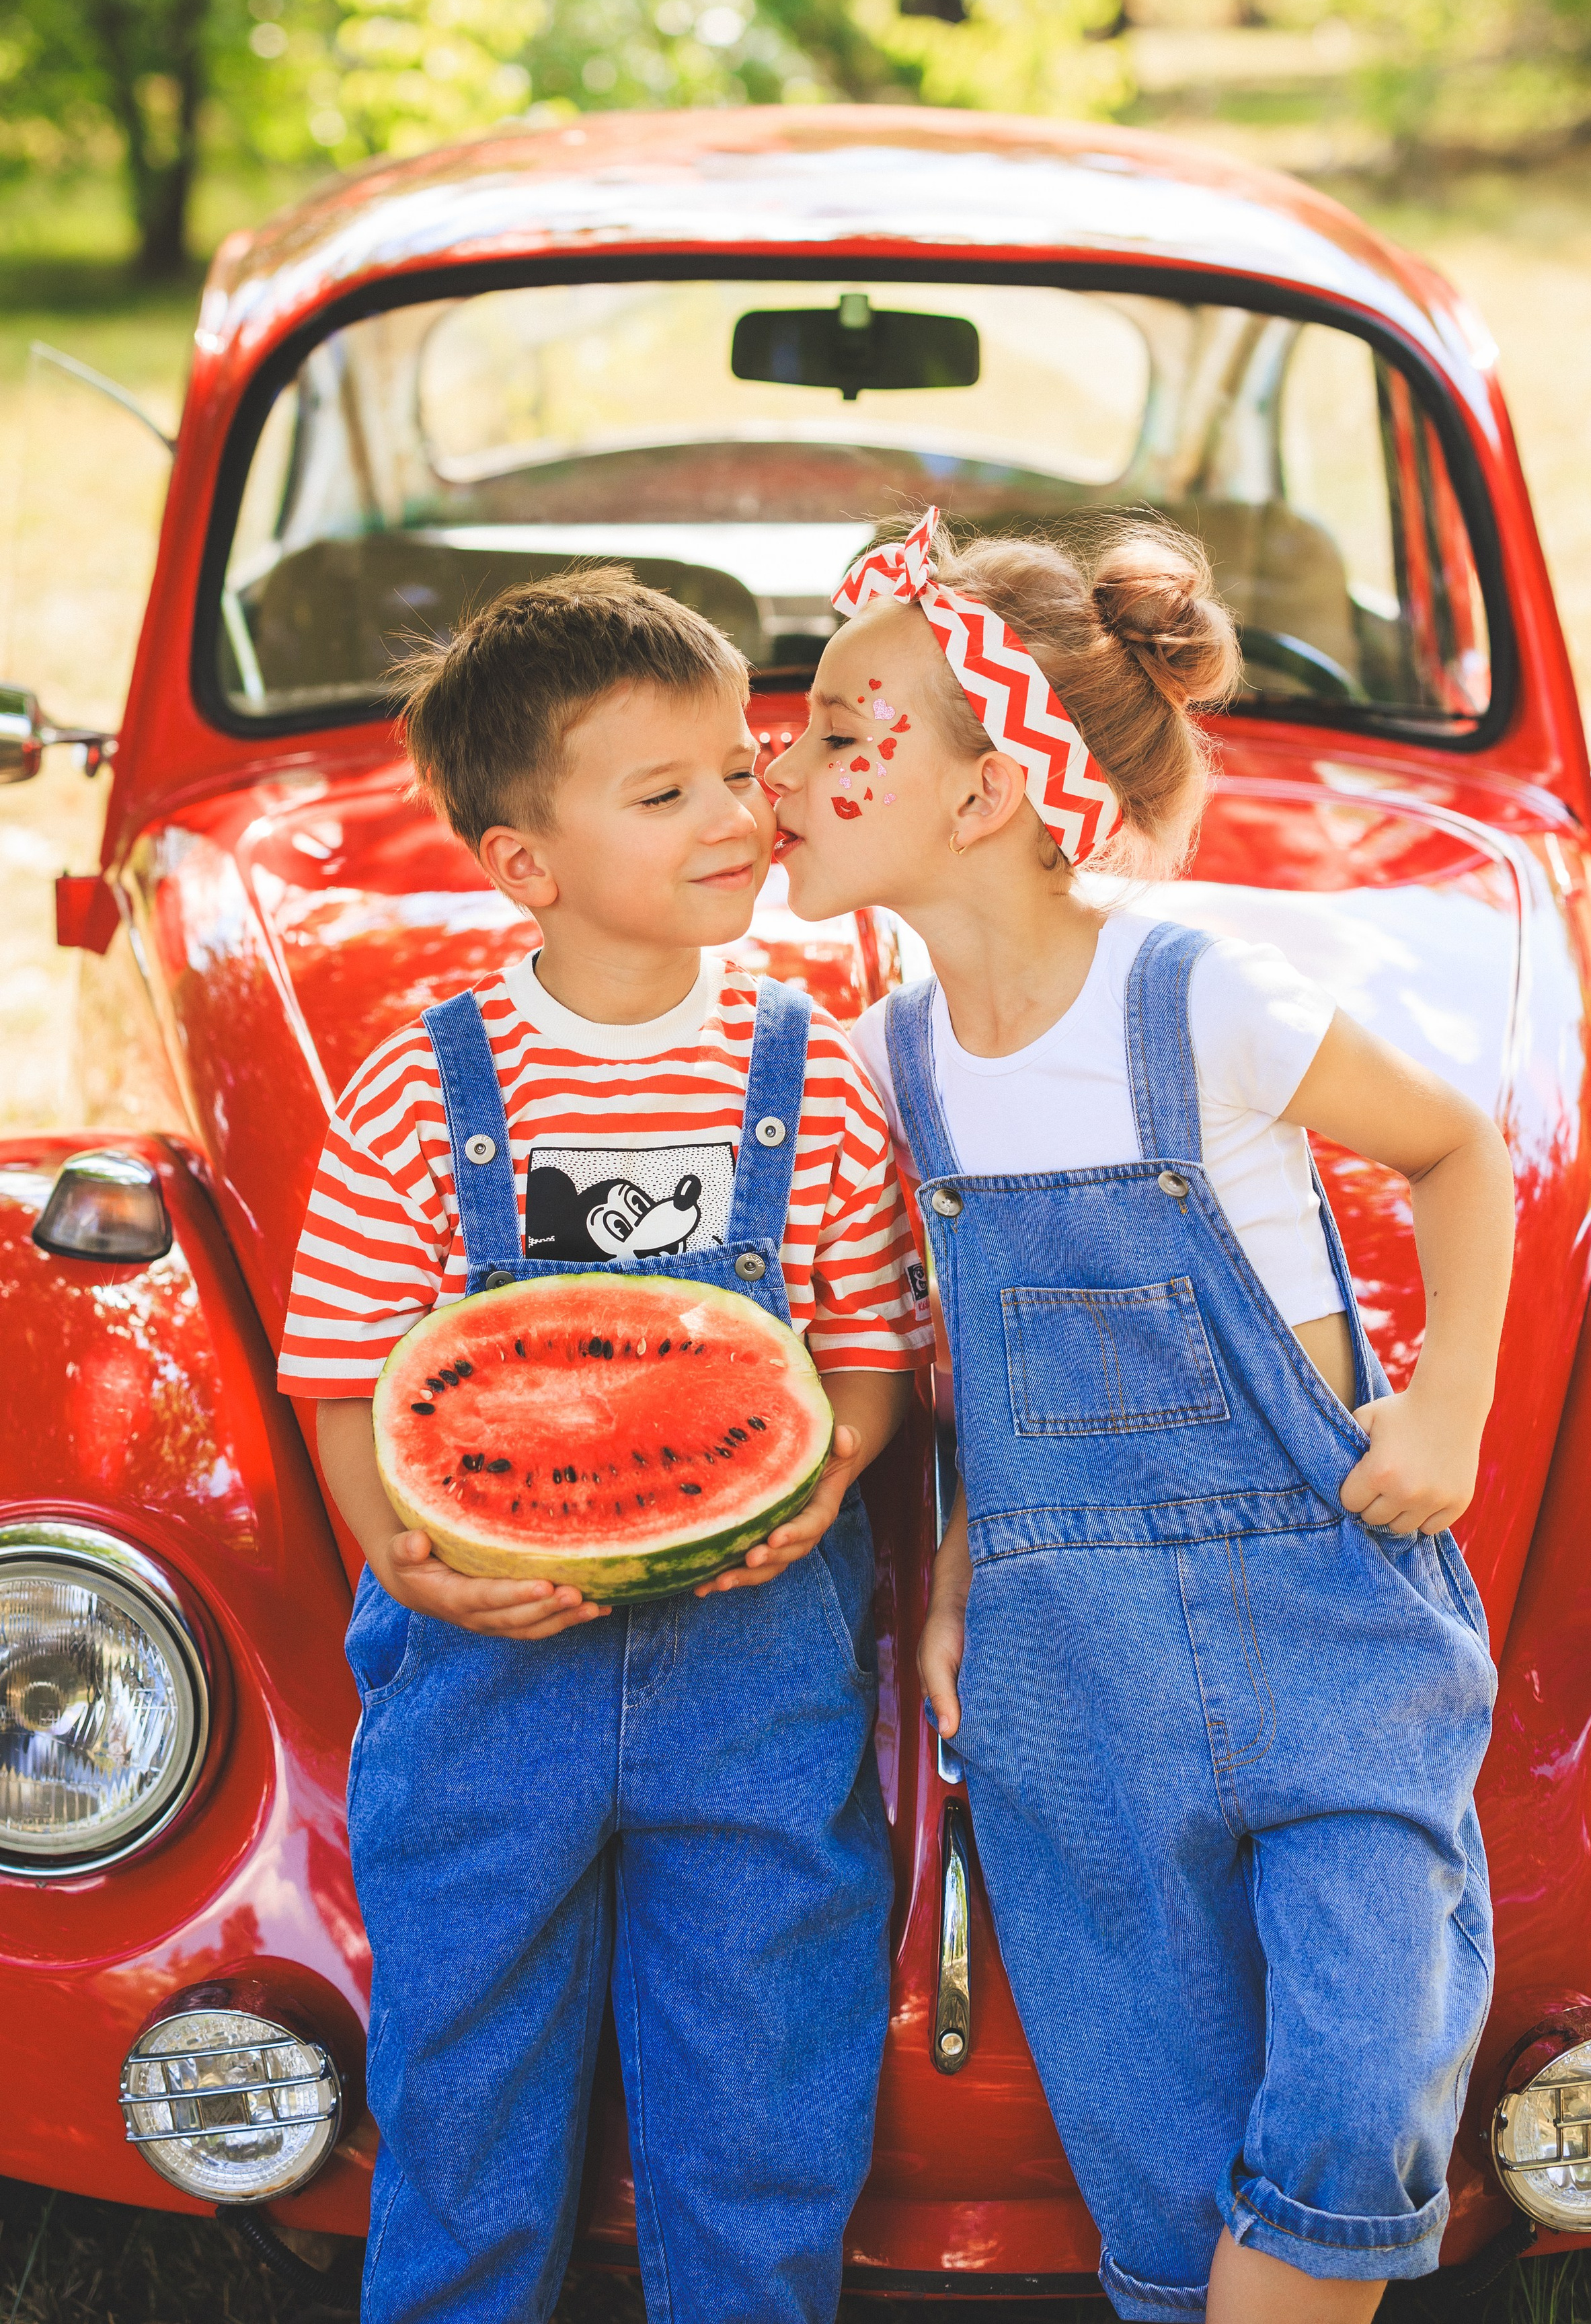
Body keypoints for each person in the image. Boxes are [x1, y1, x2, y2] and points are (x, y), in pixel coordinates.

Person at [766, 509, 1513, 2324]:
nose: (783, 761)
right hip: (1063, 1674)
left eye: (843, 730)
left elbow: (1459, 1152)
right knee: (1159, 2145)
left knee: (1353, 2085)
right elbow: (981, 1363)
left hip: (1326, 1619)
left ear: (984, 797)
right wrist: (958, 1569)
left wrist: (1445, 1408)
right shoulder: (900, 1060)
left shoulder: (1199, 994)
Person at [278, 568, 924, 2324]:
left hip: (759, 1673)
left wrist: (833, 1471)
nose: (734, 813)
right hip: (489, 1676)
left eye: (740, 767)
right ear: (523, 864)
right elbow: (349, 1372)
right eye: (667, 793)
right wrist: (408, 1550)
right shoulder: (427, 1082)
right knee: (465, 2085)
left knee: (764, 2091)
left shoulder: (819, 1071)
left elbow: (862, 1348)